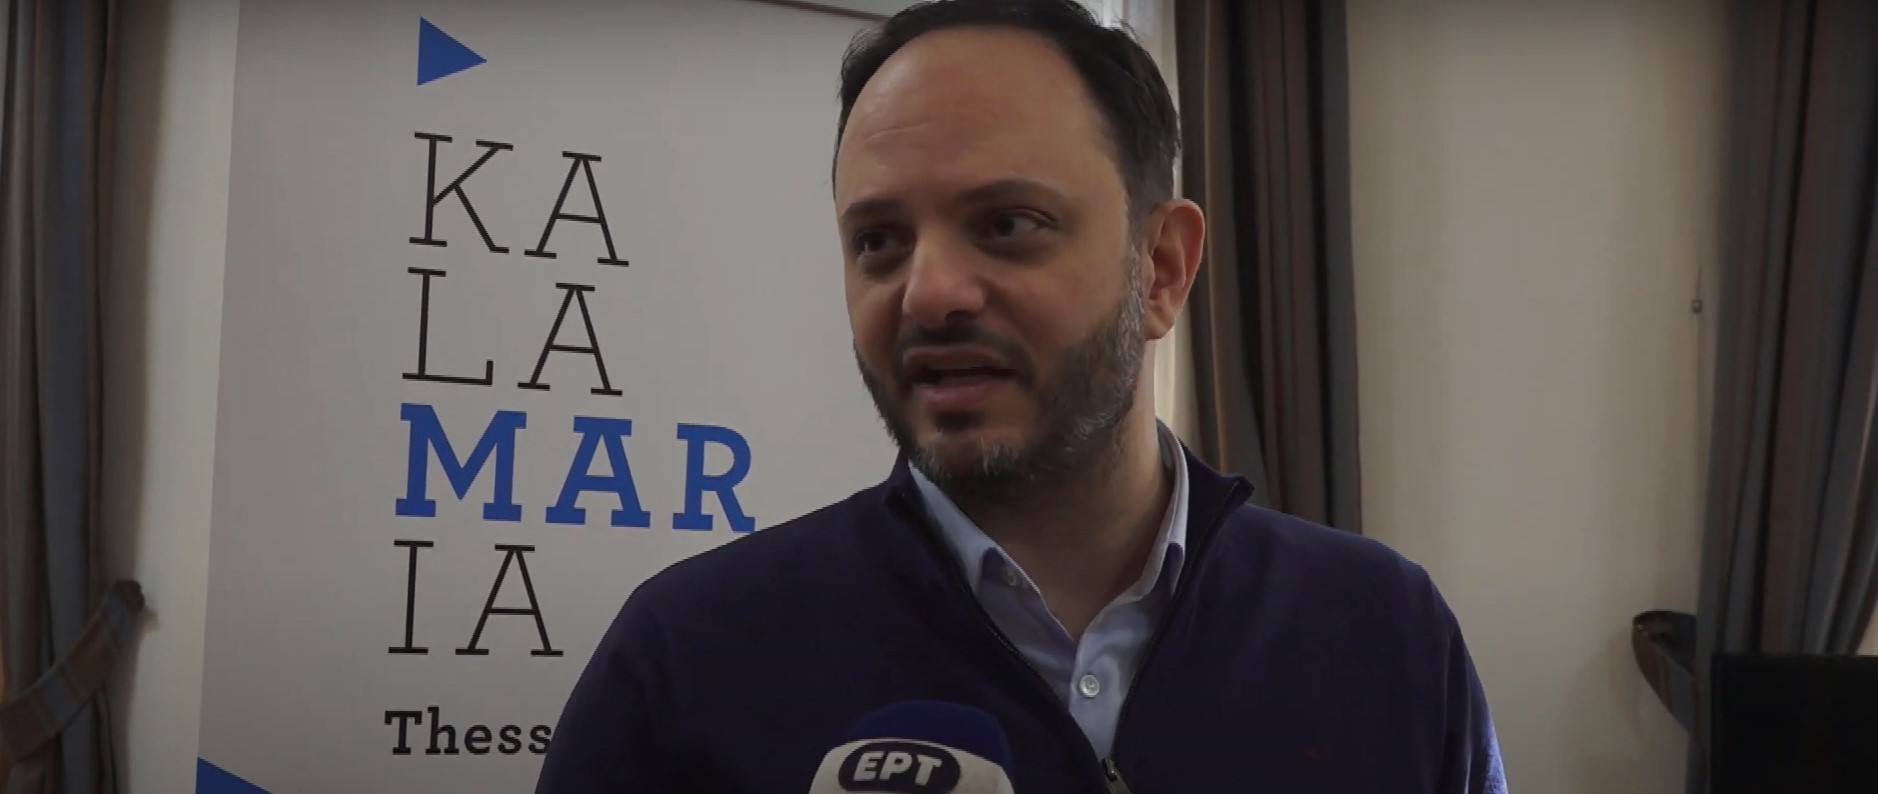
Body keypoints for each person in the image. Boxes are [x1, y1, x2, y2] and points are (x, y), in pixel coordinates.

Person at [536, 1, 1506, 791]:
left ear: (1163, 268)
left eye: (1007, 223)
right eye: (879, 240)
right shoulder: (686, 656)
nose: (927, 293)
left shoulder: (1384, 632)